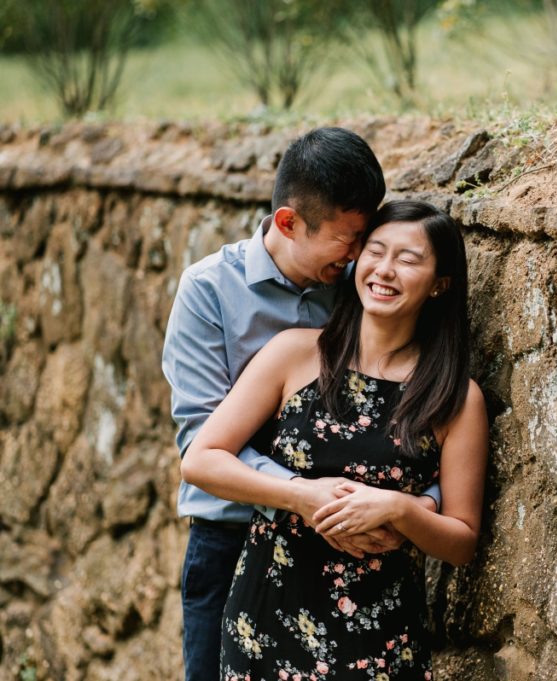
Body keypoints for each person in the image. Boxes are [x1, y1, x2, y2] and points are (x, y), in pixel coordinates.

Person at [162, 128, 441, 681]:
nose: (363, 256)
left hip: (346, 552)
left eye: (365, 236)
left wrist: (417, 505)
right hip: (233, 534)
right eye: (348, 239)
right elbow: (202, 444)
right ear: (289, 222)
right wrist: (305, 496)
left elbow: (411, 413)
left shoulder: (357, 284)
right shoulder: (209, 291)